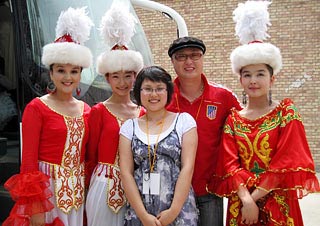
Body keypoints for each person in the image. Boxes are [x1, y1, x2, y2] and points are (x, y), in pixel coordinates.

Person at [206, 1, 320, 225]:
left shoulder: (285, 113)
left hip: (278, 202)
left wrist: (253, 199)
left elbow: (286, 162)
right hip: (242, 203)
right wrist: (245, 199)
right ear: (240, 79)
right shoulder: (233, 119)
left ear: (272, 78)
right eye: (247, 75)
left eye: (260, 74)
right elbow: (229, 164)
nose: (253, 80)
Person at [3, 7, 93, 226]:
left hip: (77, 193)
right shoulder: (37, 107)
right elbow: (29, 163)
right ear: (51, 73)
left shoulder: (87, 110)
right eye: (61, 70)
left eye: (74, 71)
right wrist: (35, 210)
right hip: (47, 193)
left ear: (81, 74)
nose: (68, 77)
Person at [166, 36, 241, 225]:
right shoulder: (162, 97)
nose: (189, 61)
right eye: (181, 57)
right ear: (173, 62)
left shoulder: (223, 97)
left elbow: (245, 132)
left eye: (195, 55)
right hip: (169, 191)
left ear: (202, 59)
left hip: (208, 190)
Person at [85, 4, 144, 226]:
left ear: (135, 77)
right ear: (107, 78)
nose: (123, 83)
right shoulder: (99, 111)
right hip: (103, 185)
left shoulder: (143, 112)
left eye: (128, 75)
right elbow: (90, 156)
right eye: (116, 76)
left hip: (138, 186)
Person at [119, 66, 199, 226]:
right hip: (140, 209)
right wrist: (143, 215)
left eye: (159, 89)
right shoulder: (129, 127)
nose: (153, 94)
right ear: (138, 92)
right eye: (147, 89)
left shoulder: (184, 121)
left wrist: (174, 210)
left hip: (178, 209)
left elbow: (187, 168)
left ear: (168, 91)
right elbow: (126, 172)